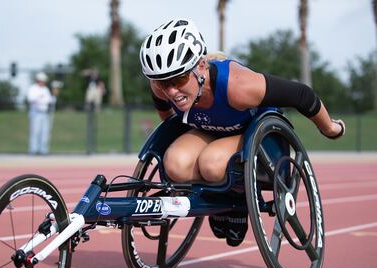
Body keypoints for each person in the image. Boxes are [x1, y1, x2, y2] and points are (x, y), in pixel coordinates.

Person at [139, 19, 345, 247]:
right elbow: (168, 116)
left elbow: (302, 96)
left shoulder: (239, 87)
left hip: (255, 134)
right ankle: (217, 199)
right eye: (162, 81)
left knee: (212, 162)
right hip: (209, 129)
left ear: (200, 66)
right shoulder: (161, 87)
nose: (171, 90)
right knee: (175, 163)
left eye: (178, 79)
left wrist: (331, 129)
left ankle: (236, 198)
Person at [27, 72, 54, 155]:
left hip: (44, 113)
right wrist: (40, 96)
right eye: (42, 80)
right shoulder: (33, 88)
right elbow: (30, 99)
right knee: (35, 132)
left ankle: (43, 150)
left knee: (45, 132)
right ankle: (33, 149)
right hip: (35, 113)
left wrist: (55, 94)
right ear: (38, 80)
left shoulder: (45, 89)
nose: (43, 82)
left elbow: (50, 100)